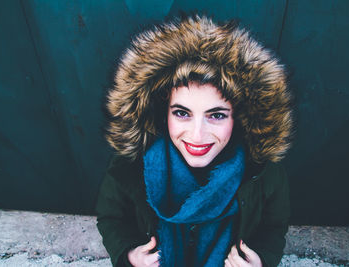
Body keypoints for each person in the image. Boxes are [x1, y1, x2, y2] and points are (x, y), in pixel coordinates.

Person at [96, 15, 293, 267]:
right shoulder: (131, 163)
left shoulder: (263, 172)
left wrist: (261, 260)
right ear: (162, 110)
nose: (197, 135)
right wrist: (128, 255)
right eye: (182, 113)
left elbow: (273, 227)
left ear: (241, 117)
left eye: (217, 115)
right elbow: (112, 217)